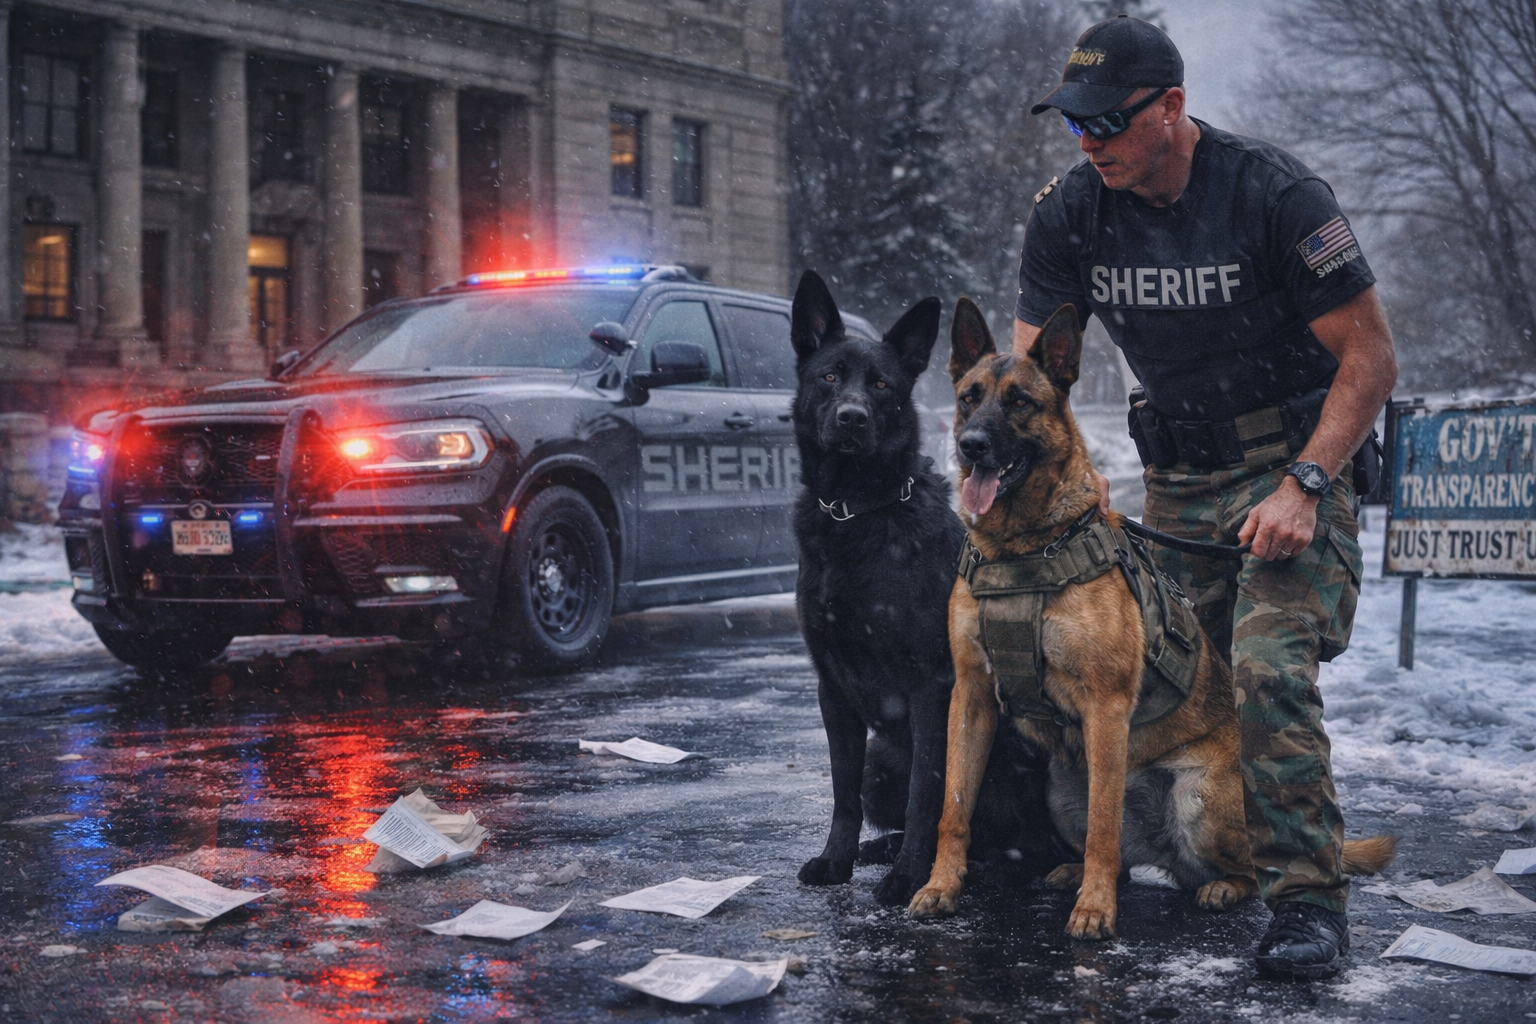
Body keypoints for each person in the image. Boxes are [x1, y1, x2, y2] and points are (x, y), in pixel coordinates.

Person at [1015, 15, 1397, 979]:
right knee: (1145, 684)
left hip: (1290, 467)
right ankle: (1135, 851)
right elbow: (1029, 380)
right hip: (1176, 483)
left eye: (1107, 123)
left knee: (1265, 665)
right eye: (1076, 127)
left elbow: (1371, 357)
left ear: (1172, 109)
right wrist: (1050, 487)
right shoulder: (1069, 213)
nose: (1090, 143)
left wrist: (1308, 484)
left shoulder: (1273, 194)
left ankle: (1309, 903)